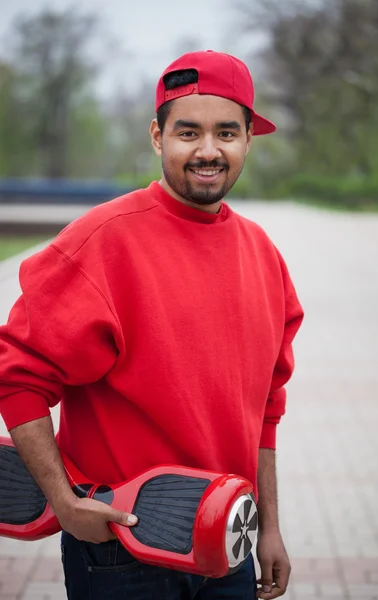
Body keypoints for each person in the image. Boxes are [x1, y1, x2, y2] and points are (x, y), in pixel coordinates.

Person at [0, 50, 303, 600]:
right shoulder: (103, 243)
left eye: (227, 133)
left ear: (247, 142)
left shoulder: (265, 257)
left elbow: (267, 410)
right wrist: (64, 502)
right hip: (122, 552)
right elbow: (17, 375)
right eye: (188, 132)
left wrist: (270, 527)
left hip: (228, 545)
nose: (208, 151)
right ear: (158, 137)